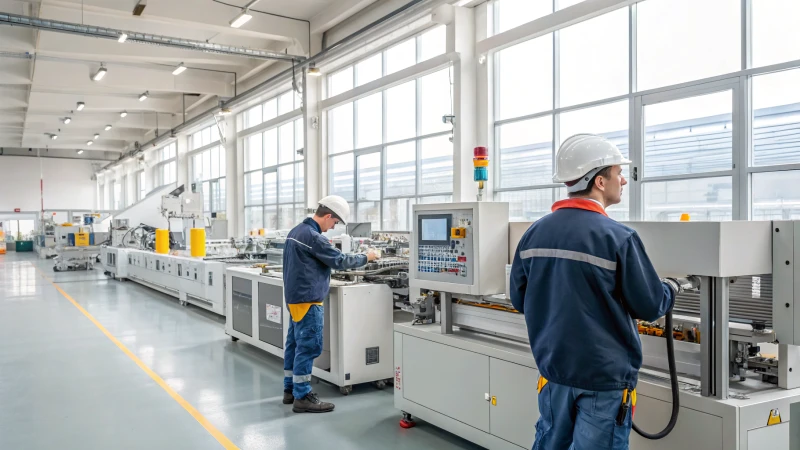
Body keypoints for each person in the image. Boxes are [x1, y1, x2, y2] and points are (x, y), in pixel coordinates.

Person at [509, 134, 699, 449]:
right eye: (617, 173)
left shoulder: (534, 233)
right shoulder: (618, 238)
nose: (623, 180)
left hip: (553, 373)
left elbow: (520, 299)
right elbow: (651, 306)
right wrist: (673, 286)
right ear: (599, 181)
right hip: (603, 380)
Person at [281, 195, 378, 413]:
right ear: (327, 216)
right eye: (334, 222)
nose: (333, 227)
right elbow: (340, 261)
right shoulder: (314, 237)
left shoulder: (296, 232)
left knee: (294, 346)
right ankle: (303, 396)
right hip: (309, 301)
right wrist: (367, 257)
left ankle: (290, 390)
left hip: (295, 299)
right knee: (308, 348)